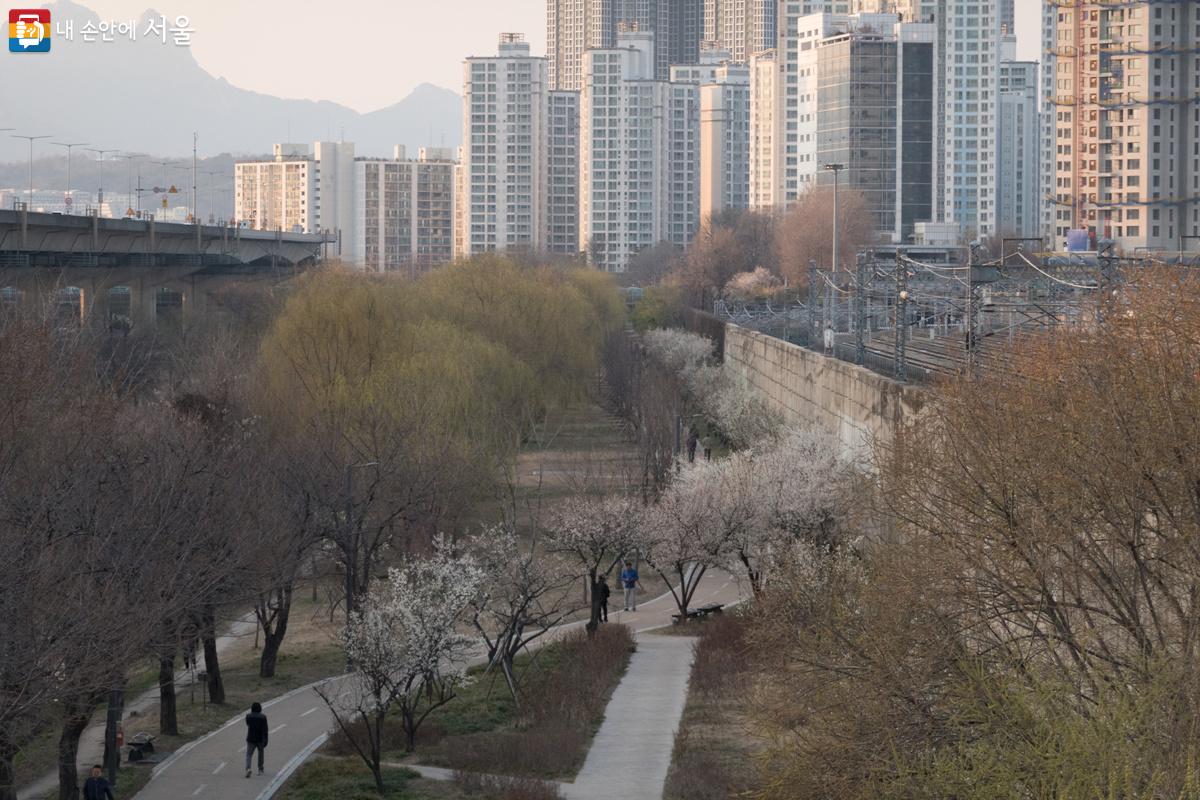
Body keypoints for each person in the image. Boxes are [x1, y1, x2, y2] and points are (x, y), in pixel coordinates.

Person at [245, 701, 269, 777]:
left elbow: (248, 724)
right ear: (260, 709)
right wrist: (266, 739)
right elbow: (265, 729)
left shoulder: (248, 716)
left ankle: (248, 768)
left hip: (251, 738)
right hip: (260, 738)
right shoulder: (263, 717)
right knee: (260, 754)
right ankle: (260, 769)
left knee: (249, 754)